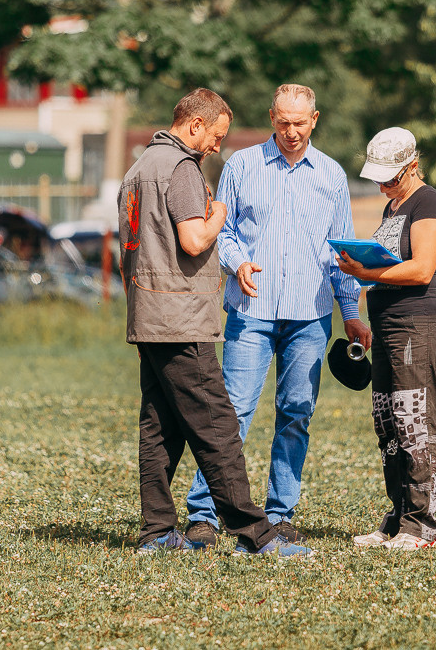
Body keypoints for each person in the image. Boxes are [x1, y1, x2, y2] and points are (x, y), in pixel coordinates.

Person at [117, 88, 310, 558]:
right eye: (217, 135)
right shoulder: (181, 167)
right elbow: (194, 238)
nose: (218, 145)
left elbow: (130, 251)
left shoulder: (138, 168)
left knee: (160, 428)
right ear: (195, 124)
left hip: (148, 315)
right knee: (218, 427)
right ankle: (256, 535)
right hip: (181, 320)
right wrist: (219, 212)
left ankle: (157, 533)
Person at [182, 84, 372, 547]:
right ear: (271, 118)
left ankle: (279, 513)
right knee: (232, 412)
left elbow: (341, 252)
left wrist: (350, 312)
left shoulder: (331, 175)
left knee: (296, 412)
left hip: (310, 315)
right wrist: (237, 263)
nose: (291, 131)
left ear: (314, 119)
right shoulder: (241, 166)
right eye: (283, 122)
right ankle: (204, 514)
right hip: (252, 311)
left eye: (300, 123)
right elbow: (222, 231)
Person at [335, 127, 436, 551]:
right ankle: (398, 517)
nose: (383, 186)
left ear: (412, 166)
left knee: (414, 422)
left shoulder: (428, 203)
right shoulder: (393, 206)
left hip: (416, 326)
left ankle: (421, 525)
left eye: (390, 178)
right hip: (385, 326)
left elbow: (421, 269)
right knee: (388, 424)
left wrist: (365, 273)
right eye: (377, 178)